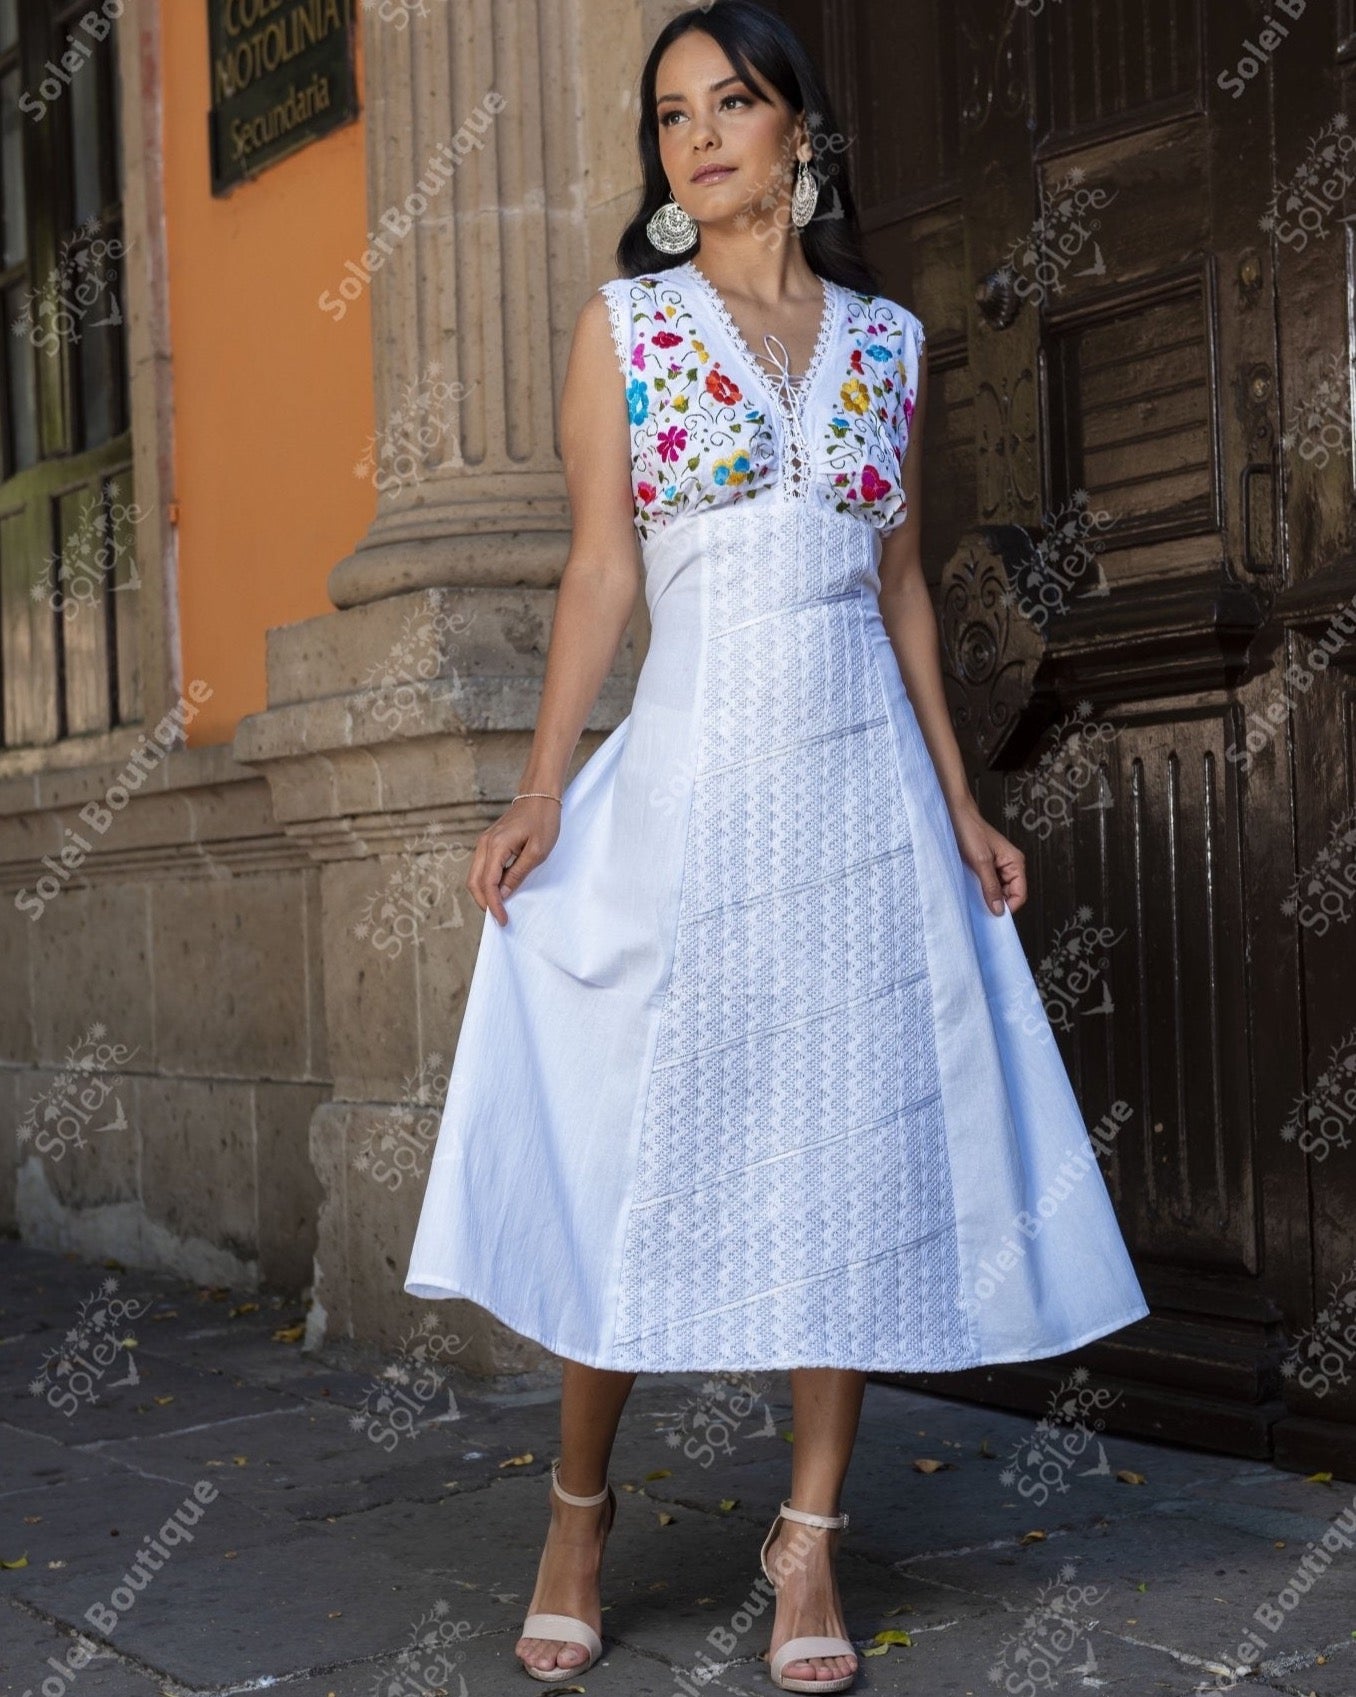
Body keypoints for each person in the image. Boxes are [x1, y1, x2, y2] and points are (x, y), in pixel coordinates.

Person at [402, 3, 1150, 1688]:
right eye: (670, 117)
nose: (700, 137)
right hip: (690, 791)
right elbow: (601, 575)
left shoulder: (887, 342)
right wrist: (540, 787)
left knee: (851, 1148)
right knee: (639, 1153)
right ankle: (578, 1508)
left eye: (730, 102)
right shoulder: (628, 325)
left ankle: (805, 1542)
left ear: (798, 128)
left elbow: (897, 583)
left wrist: (960, 801)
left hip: (861, 799)